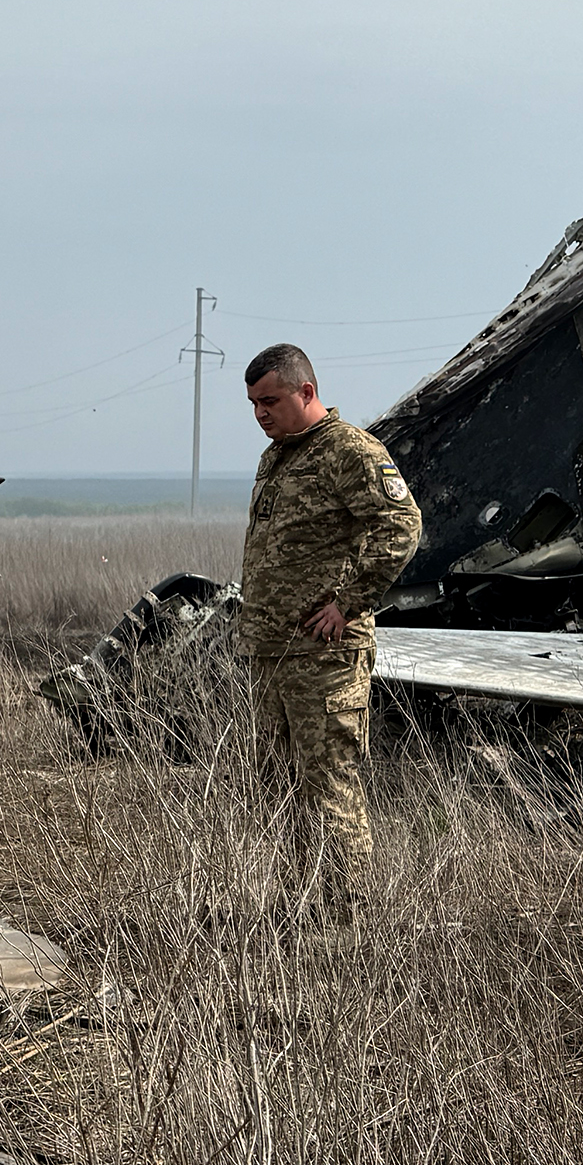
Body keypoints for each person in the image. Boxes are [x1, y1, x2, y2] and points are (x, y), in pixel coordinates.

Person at [237, 343, 420, 916]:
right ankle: (301, 901)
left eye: (270, 400)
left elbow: (401, 525)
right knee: (279, 785)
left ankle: (349, 914)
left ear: (306, 392)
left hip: (324, 653)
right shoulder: (278, 456)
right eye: (253, 404)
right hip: (271, 652)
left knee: (329, 784)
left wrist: (350, 601)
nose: (261, 413)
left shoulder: (349, 451)